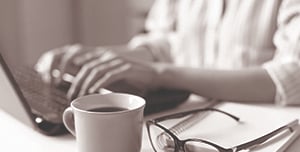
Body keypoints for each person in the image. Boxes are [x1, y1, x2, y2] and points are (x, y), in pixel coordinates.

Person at [35, 0, 300, 105]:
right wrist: (97, 58)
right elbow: (165, 44)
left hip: (261, 141)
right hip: (188, 125)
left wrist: (162, 75)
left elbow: (291, 76)